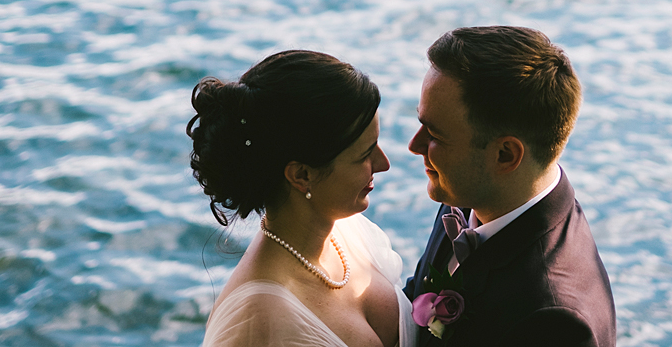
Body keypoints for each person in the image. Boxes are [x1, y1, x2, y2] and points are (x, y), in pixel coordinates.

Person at [404, 26, 616, 346]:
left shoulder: (553, 320)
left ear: (505, 155)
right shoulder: (470, 191)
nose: (414, 145)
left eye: (435, 135)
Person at [188, 50, 415, 347]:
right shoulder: (254, 326)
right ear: (302, 175)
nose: (384, 163)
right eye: (364, 155)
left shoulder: (350, 232)